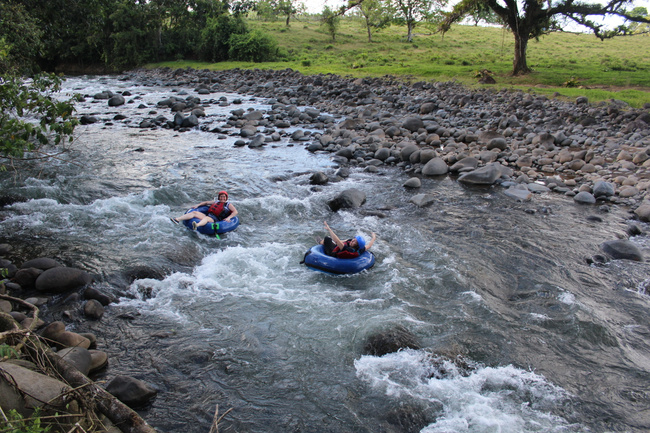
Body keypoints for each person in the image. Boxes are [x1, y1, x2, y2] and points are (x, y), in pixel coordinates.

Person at [171, 190, 238, 230]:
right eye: (221, 196)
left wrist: (229, 218)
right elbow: (206, 202)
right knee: (194, 212)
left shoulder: (228, 204)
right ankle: (177, 219)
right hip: (209, 215)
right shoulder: (216, 202)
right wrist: (197, 205)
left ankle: (197, 225)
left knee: (206, 218)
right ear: (219, 197)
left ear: (226, 198)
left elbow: (235, 212)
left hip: (215, 219)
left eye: (224, 196)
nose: (222, 198)